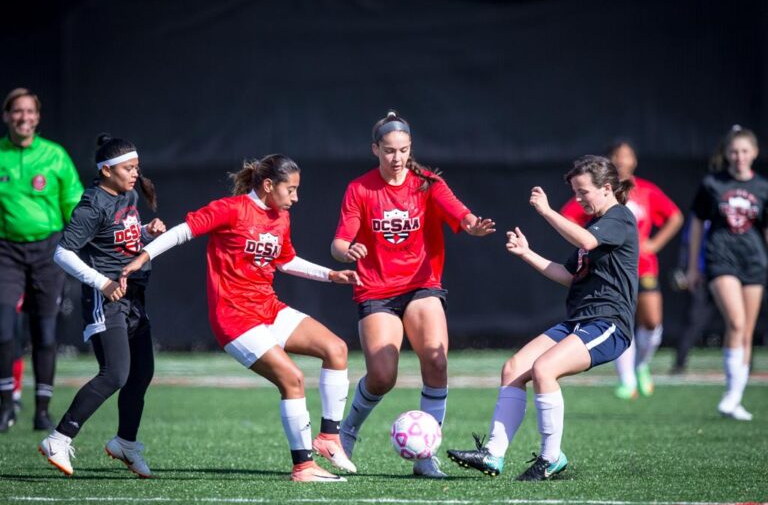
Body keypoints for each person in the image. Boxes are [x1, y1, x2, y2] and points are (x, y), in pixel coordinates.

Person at [120, 154, 360, 482]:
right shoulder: (230, 210)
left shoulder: (280, 218)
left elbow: (285, 261)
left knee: (336, 349)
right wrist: (144, 255)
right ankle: (303, 467)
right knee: (292, 379)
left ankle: (329, 438)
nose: (295, 197)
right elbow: (181, 232)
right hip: (234, 318)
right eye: (290, 190)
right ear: (267, 185)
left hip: (268, 308)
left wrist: (330, 275)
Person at [448, 155, 638, 481]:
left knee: (544, 369)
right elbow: (568, 275)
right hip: (579, 320)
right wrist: (527, 253)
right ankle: (493, 454)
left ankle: (551, 458)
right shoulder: (596, 227)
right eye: (575, 193)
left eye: (583, 192)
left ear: (607, 188)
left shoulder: (619, 218)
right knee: (513, 368)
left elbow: (587, 241)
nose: (578, 199)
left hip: (608, 322)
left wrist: (547, 211)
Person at [331, 111, 496, 479]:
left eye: (403, 150)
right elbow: (339, 242)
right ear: (375, 149)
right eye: (389, 151)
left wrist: (473, 226)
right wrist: (348, 251)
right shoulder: (360, 189)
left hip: (422, 285)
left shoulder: (427, 182)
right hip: (376, 288)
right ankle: (344, 435)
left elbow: (462, 215)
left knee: (436, 362)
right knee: (382, 376)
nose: (397, 158)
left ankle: (425, 456)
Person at [38, 135, 165, 477]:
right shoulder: (92, 203)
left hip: (134, 297)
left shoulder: (127, 195)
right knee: (115, 374)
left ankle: (125, 442)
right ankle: (59, 438)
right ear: (106, 171)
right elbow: (62, 253)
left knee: (141, 373)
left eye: (136, 167)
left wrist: (146, 232)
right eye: (128, 168)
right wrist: (103, 283)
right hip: (106, 299)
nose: (135, 174)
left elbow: (118, 233)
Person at [561, 141, 682, 399]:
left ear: (635, 160)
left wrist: (654, 244)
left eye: (627, 156)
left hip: (642, 265)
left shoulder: (646, 190)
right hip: (607, 269)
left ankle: (641, 365)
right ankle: (627, 379)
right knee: (618, 318)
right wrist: (588, 240)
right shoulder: (594, 195)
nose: (623, 160)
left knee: (651, 321)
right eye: (617, 156)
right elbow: (569, 216)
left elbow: (675, 216)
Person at [0, 88, 84, 432]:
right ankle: (6, 405)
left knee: (46, 334)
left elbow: (75, 205)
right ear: (7, 116)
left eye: (29, 112)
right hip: (5, 250)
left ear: (37, 117)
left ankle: (43, 410)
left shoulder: (55, 155)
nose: (23, 118)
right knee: (4, 331)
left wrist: (81, 244)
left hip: (48, 250)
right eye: (17, 112)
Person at [687, 125, 766, 421]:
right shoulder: (712, 184)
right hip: (721, 260)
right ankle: (730, 396)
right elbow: (696, 225)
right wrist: (693, 266)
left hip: (754, 263)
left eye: (745, 151)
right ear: (727, 153)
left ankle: (736, 399)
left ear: (754, 153)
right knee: (735, 321)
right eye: (734, 151)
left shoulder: (763, 188)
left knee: (746, 332)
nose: (739, 156)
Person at [669, 215, 718, 374]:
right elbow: (687, 243)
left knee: (740, 321)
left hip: (730, 273)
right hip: (702, 275)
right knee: (695, 320)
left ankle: (745, 365)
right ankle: (679, 362)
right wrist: (686, 268)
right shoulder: (700, 216)